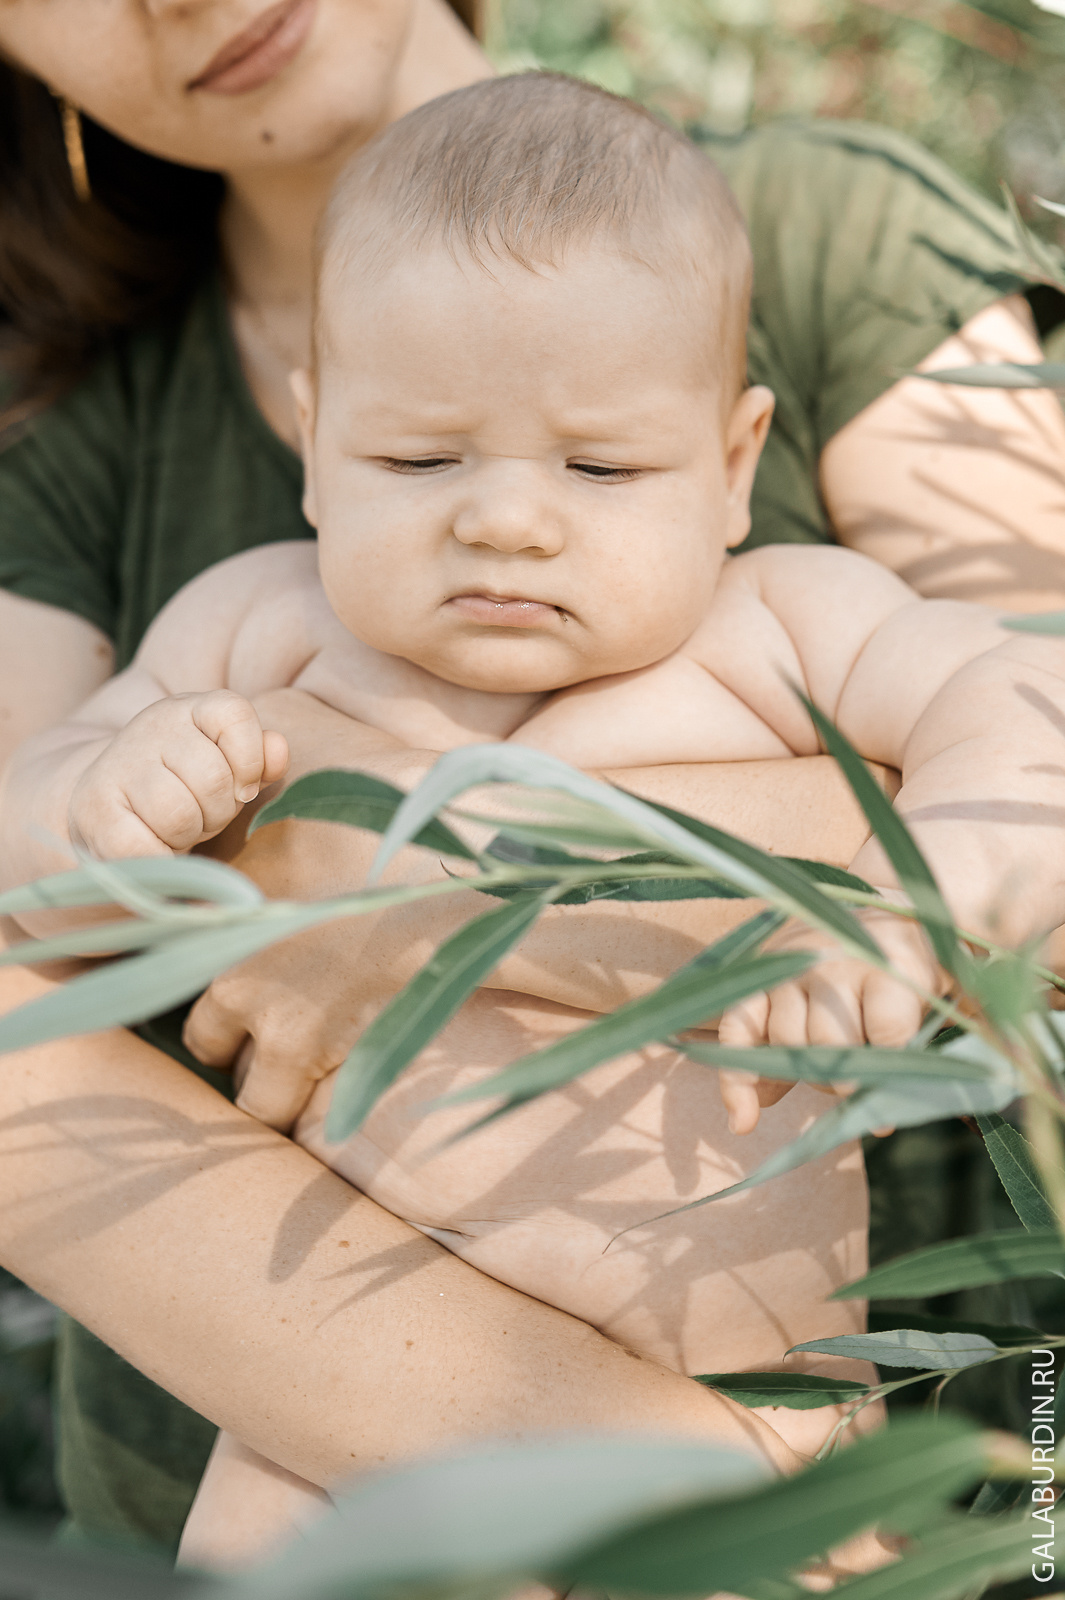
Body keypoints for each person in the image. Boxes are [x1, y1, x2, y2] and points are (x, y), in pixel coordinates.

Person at [0, 0, 1063, 1561]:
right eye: (419, 461)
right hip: (332, 1407)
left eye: (600, 468)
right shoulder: (256, 624)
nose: (503, 520)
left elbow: (1023, 708)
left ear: (730, 464)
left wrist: (924, 897)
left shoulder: (778, 624)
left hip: (743, 1373)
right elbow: (25, 873)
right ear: (315, 442)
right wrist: (110, 796)